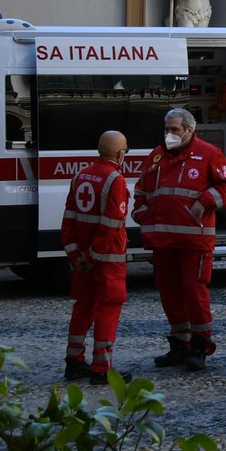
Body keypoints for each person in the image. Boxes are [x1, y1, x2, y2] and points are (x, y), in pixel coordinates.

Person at [134, 107, 226, 371]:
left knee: (195, 295)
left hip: (194, 242)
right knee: (170, 295)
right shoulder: (156, 156)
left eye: (175, 130)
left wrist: (205, 201)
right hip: (162, 241)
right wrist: (142, 213)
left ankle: (200, 346)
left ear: (189, 130)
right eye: (167, 129)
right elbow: (141, 190)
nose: (169, 134)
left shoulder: (209, 154)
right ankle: (179, 345)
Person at [62, 131, 131, 385]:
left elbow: (68, 218)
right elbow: (111, 225)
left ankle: (74, 361)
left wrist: (75, 255)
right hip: (107, 260)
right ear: (120, 153)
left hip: (82, 258)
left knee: (83, 306)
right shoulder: (115, 179)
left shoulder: (80, 175)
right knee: (108, 308)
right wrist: (93, 256)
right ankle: (102, 368)